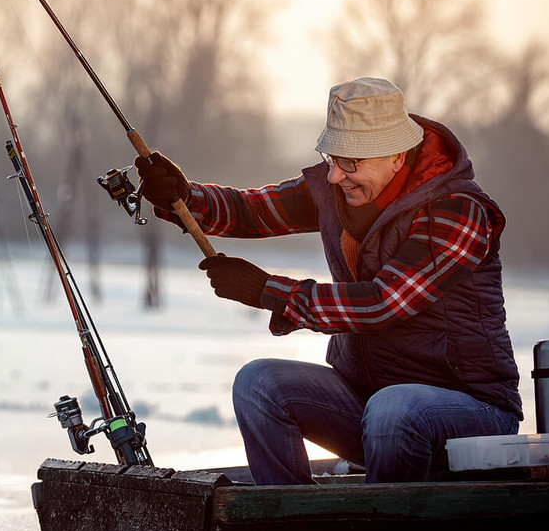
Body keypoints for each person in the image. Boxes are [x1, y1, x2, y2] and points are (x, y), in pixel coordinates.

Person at [134, 77, 521, 484]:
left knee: (395, 408)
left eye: (350, 162)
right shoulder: (340, 190)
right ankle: (289, 527)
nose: (336, 176)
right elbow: (250, 211)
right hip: (370, 405)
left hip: (470, 418)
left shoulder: (458, 211)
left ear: (396, 156)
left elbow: (383, 302)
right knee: (258, 383)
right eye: (332, 158)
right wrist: (183, 197)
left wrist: (267, 291)